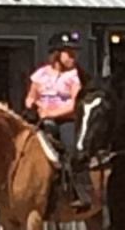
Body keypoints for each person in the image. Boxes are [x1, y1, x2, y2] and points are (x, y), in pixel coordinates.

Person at [24, 31, 91, 211]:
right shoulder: (40, 74)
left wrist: (51, 114)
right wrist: (32, 105)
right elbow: (31, 96)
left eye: (74, 53)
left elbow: (75, 105)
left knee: (72, 148)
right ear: (56, 54)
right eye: (69, 53)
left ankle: (82, 193)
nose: (73, 57)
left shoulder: (75, 77)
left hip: (65, 120)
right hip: (41, 118)